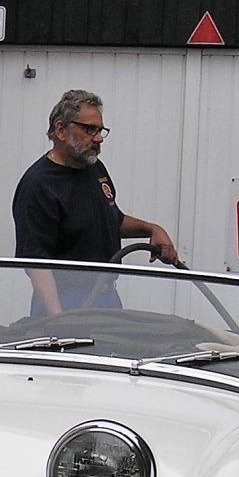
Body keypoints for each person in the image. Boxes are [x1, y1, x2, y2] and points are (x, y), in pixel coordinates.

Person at [13, 88, 178, 315]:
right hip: (65, 300)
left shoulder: (94, 168)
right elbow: (36, 261)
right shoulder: (39, 184)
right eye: (90, 129)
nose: (98, 138)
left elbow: (111, 220)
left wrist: (152, 229)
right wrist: (57, 319)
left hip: (106, 295)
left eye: (100, 130)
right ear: (60, 129)